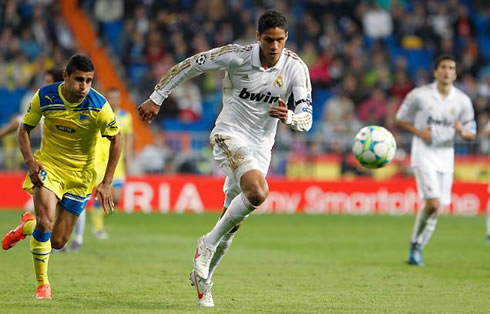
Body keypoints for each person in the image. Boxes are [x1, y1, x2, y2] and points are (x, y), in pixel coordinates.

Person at [138, 10, 312, 307]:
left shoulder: (296, 68)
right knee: (258, 192)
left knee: (233, 223)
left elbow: (307, 120)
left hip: (261, 147)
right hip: (228, 134)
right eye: (268, 40)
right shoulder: (237, 56)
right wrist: (157, 97)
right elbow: (192, 65)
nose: (274, 46)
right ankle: (205, 244)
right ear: (258, 37)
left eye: (280, 40)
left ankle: (204, 282)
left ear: (286, 39)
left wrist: (291, 117)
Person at [1, 54, 122, 299]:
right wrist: (30, 162)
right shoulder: (45, 96)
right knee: (46, 223)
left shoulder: (99, 106)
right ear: (65, 77)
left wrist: (107, 181)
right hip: (49, 167)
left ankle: (27, 226)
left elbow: (117, 138)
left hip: (80, 176)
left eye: (89, 81)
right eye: (79, 80)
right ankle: (43, 285)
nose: (84, 87)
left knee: (58, 242)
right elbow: (23, 129)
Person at [395, 54, 477, 266]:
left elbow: (472, 132)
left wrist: (461, 130)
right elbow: (399, 119)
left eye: (451, 67)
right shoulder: (419, 96)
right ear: (435, 72)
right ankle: (415, 244)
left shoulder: (462, 101)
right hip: (423, 152)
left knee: (437, 207)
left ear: (455, 73)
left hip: (446, 156)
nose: (447, 71)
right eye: (443, 67)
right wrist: (419, 132)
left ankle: (416, 247)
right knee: (432, 203)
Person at [69, 87, 134, 251]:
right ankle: (97, 227)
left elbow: (128, 138)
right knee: (99, 194)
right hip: (99, 161)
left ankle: (97, 218)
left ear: (119, 99)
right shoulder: (99, 113)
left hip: (117, 162)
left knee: (117, 198)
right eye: (111, 97)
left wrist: (129, 158)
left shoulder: (126, 117)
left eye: (116, 97)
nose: (113, 100)